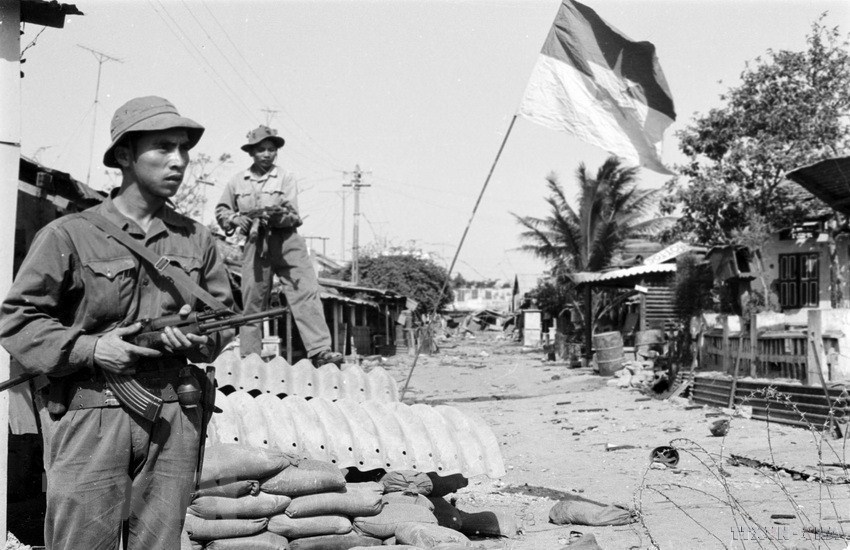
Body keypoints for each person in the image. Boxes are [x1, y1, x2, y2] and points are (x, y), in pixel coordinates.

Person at [0, 96, 235, 549]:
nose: (179, 161)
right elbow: (17, 319)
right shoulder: (70, 234)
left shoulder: (197, 240)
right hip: (90, 411)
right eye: (163, 148)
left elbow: (224, 320)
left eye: (184, 149)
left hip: (174, 414)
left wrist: (196, 336)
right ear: (124, 155)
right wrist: (92, 348)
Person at [215, 125, 343, 366]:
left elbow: (293, 214)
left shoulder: (285, 178)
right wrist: (235, 219)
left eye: (271, 150)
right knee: (253, 300)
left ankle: (320, 351)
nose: (266, 154)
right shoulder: (236, 182)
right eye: (261, 150)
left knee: (305, 291)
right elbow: (222, 210)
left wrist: (274, 215)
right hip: (255, 241)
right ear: (251, 153)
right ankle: (250, 357)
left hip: (286, 240)